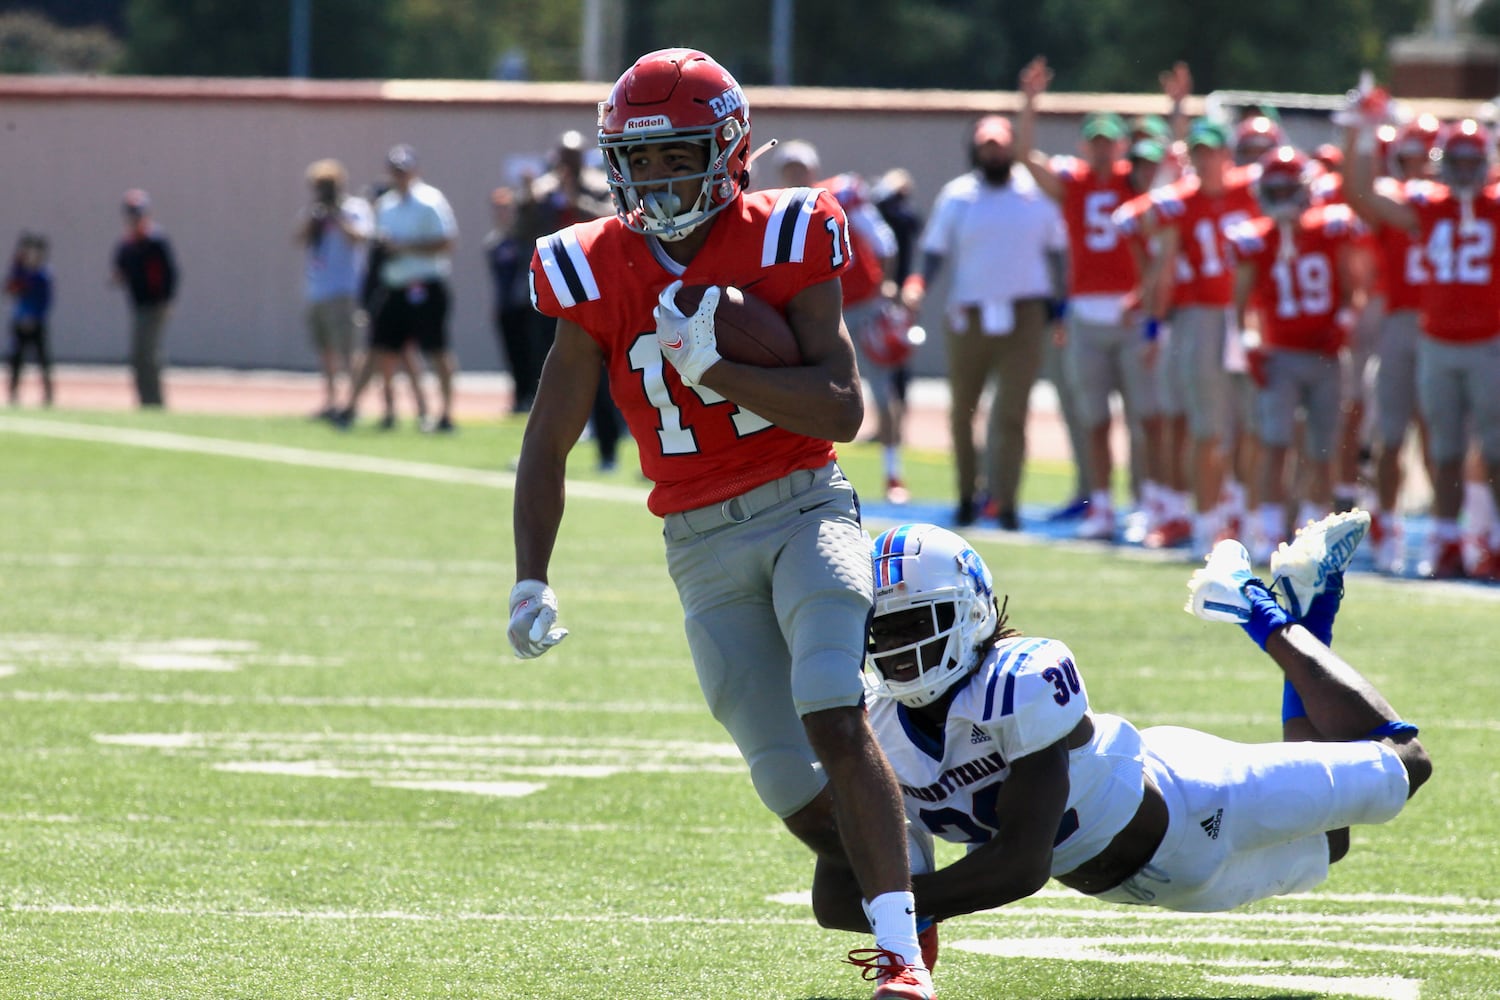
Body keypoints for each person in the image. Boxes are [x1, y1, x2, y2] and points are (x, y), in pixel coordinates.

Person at [508, 48, 932, 998]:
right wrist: (532, 574)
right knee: (787, 783)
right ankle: (915, 865)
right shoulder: (592, 264)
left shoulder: (791, 232)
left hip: (803, 504)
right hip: (697, 541)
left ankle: (905, 955)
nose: (656, 180)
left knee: (830, 701)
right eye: (641, 161)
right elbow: (548, 441)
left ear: (730, 148)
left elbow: (840, 409)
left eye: (677, 156)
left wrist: (722, 370)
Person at [812, 512, 1429, 945]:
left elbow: (1021, 865)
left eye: (918, 622)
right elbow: (836, 902)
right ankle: (1309, 607)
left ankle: (1255, 608)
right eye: (883, 630)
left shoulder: (1021, 679)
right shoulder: (872, 725)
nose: (898, 648)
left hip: (1198, 800)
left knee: (1405, 760)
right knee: (1334, 840)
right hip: (1145, 883)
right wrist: (899, 908)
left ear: (971, 611)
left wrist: (897, 909)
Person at [1345, 103, 1500, 580]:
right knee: (1446, 450)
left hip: (1488, 343)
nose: (1466, 171)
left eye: (1474, 161)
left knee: (1494, 449)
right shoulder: (1427, 209)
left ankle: (1489, 540)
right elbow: (1359, 193)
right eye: (1459, 161)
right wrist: (1365, 133)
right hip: (1436, 342)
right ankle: (1448, 542)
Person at [1017, 55, 1165, 542]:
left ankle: (1147, 503)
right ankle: (1101, 505)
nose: (1102, 150)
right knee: (1096, 419)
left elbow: (1172, 160)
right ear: (1086, 144)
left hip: (1129, 309)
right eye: (1096, 141)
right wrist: (1031, 103)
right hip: (1085, 311)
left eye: (1110, 141)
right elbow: (1025, 157)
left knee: (1145, 418)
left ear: (1122, 145)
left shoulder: (1134, 180)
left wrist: (1177, 108)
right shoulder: (1075, 183)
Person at [902, 113, 1068, 530]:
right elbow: (935, 249)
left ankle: (1006, 501)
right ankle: (965, 497)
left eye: (1000, 144)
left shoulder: (1036, 195)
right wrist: (918, 283)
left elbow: (1059, 252)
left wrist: (1062, 307)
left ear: (1013, 147)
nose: (993, 152)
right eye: (986, 145)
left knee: (1011, 412)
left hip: (1025, 314)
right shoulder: (958, 196)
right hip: (970, 314)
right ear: (975, 149)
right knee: (963, 410)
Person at [1124, 120, 1261, 556]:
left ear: (1226, 154)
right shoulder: (1178, 203)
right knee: (1208, 428)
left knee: (1253, 423)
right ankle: (1206, 521)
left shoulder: (1253, 188)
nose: (1205, 160)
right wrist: (1153, 325)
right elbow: (1159, 265)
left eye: (1211, 151)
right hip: (1202, 316)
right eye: (1197, 152)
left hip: (1251, 314)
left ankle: (1243, 511)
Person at [1229, 146, 1368, 560]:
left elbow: (1352, 290)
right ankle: (1269, 531)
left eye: (1289, 189)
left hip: (1324, 354)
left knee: (1323, 449)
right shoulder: (1254, 238)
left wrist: (1342, 324)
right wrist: (1248, 346)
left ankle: (1312, 535)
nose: (1283, 198)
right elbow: (1239, 306)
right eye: (1275, 189)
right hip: (1280, 354)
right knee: (1275, 444)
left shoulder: (1332, 228)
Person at [777, 140, 909, 504]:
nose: (794, 175)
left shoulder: (839, 196)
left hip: (862, 304)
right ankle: (803, 470)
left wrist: (887, 282)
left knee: (881, 389)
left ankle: (893, 473)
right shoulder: (776, 211)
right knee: (807, 389)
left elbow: (883, 241)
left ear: (813, 169)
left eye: (799, 168)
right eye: (788, 169)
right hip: (817, 311)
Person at [513, 129, 624, 468]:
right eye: (563, 158)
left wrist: (577, 202)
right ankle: (539, 455)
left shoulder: (597, 184)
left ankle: (607, 452)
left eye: (573, 158)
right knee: (546, 375)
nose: (567, 165)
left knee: (600, 378)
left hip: (593, 294)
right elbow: (522, 234)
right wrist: (530, 201)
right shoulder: (544, 191)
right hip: (554, 295)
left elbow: (613, 219)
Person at [335, 144, 458, 432]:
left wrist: (404, 247)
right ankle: (350, 408)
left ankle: (446, 414)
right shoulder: (386, 205)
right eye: (395, 171)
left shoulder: (429, 201)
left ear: (415, 170)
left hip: (426, 285)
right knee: (378, 347)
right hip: (395, 286)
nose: (400, 176)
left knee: (437, 350)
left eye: (404, 170)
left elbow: (447, 242)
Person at [298, 158, 373, 420]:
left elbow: (361, 237)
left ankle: (352, 403)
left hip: (344, 290)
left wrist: (338, 216)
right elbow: (299, 239)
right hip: (317, 289)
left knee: (348, 350)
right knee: (325, 350)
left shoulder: (354, 208)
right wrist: (315, 216)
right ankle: (330, 400)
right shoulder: (315, 211)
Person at [111, 188, 177, 409]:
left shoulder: (156, 241)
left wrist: (167, 301)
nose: (134, 219)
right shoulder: (127, 245)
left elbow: (171, 274)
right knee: (139, 354)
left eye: (137, 214)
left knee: (148, 353)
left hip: (156, 306)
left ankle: (155, 401)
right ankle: (144, 401)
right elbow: (119, 272)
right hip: (139, 305)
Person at [483, 186, 535, 417]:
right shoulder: (494, 242)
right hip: (506, 306)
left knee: (530, 352)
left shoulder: (523, 240)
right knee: (512, 353)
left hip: (525, 306)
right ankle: (518, 396)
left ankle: (531, 395)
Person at [6, 231, 54, 407]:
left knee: (43, 360)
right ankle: (13, 392)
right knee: (16, 360)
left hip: (36, 323)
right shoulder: (20, 272)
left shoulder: (43, 275)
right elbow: (10, 289)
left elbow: (45, 301)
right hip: (19, 322)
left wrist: (33, 319)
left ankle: (48, 394)